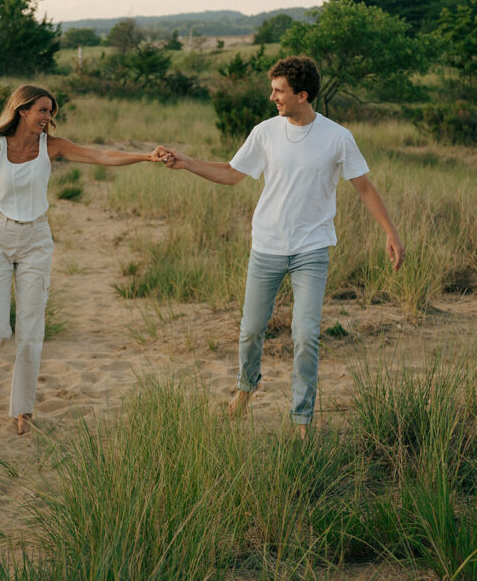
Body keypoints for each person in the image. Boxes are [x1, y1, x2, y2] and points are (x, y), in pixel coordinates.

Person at [158, 55, 404, 438]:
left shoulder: (338, 137)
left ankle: (301, 419)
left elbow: (364, 187)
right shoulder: (265, 132)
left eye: (279, 91)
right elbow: (231, 173)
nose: (272, 96)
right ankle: (246, 387)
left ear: (302, 95)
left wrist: (390, 232)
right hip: (267, 247)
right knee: (251, 330)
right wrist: (186, 162)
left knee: (305, 334)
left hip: (311, 250)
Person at [0, 83, 165, 435]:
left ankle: (22, 410)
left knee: (31, 330)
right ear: (22, 111)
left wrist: (145, 157)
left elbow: (100, 156)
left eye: (50, 112)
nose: (48, 117)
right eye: (42, 110)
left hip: (37, 239)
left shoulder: (51, 148)